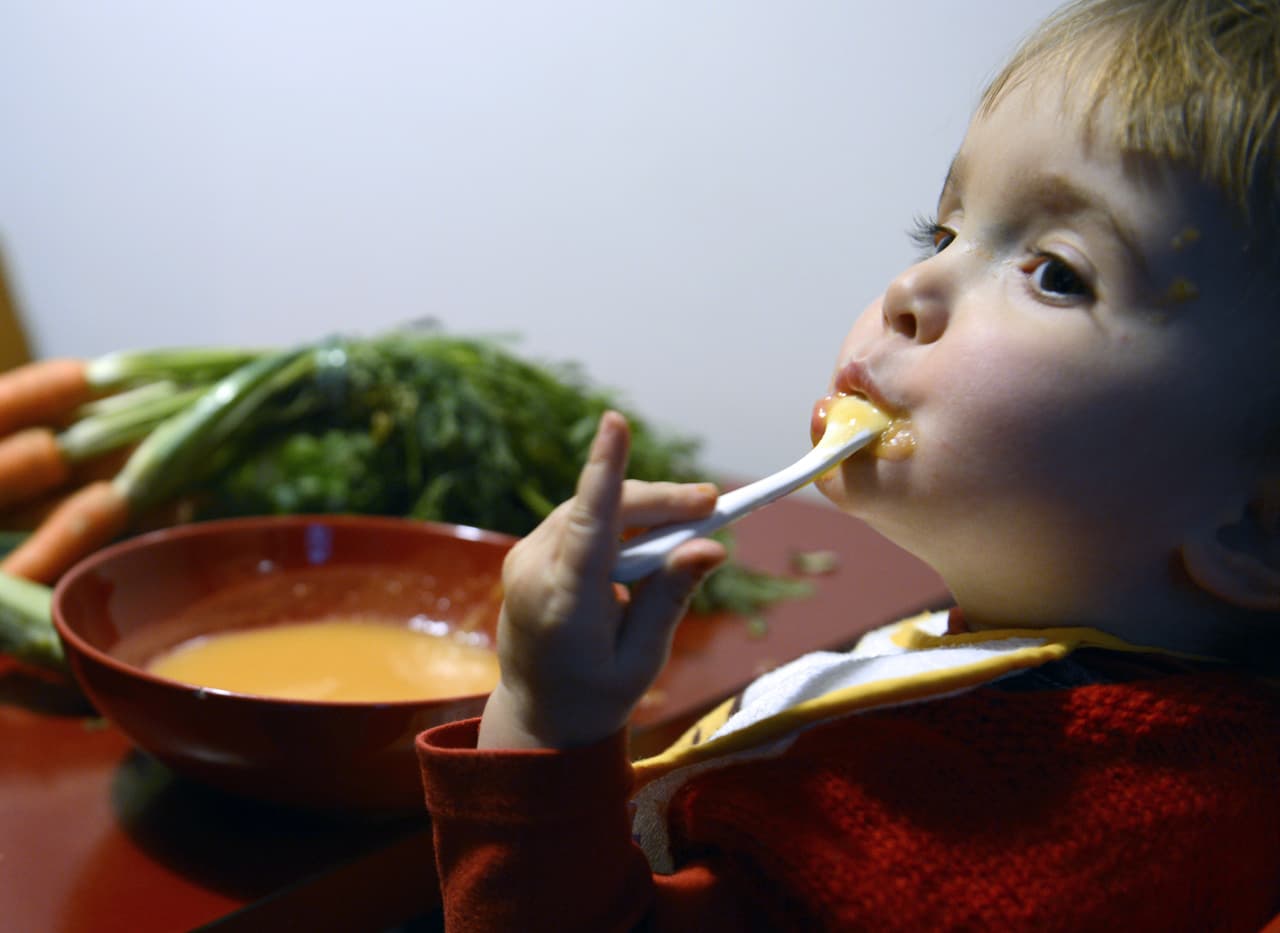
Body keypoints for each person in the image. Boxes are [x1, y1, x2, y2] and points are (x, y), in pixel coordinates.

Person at [416, 0, 1280, 929]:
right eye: (943, 233)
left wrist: (542, 716)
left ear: (1256, 528)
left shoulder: (971, 853)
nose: (913, 289)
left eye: (1057, 272)